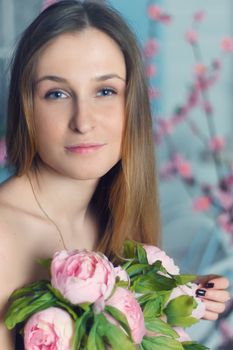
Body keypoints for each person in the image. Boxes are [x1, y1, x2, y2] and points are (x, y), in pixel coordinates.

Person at [0, 1, 230, 348]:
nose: (83, 121)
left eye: (105, 91)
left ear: (132, 103)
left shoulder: (110, 213)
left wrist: (163, 301)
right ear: (26, 106)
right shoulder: (5, 235)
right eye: (57, 94)